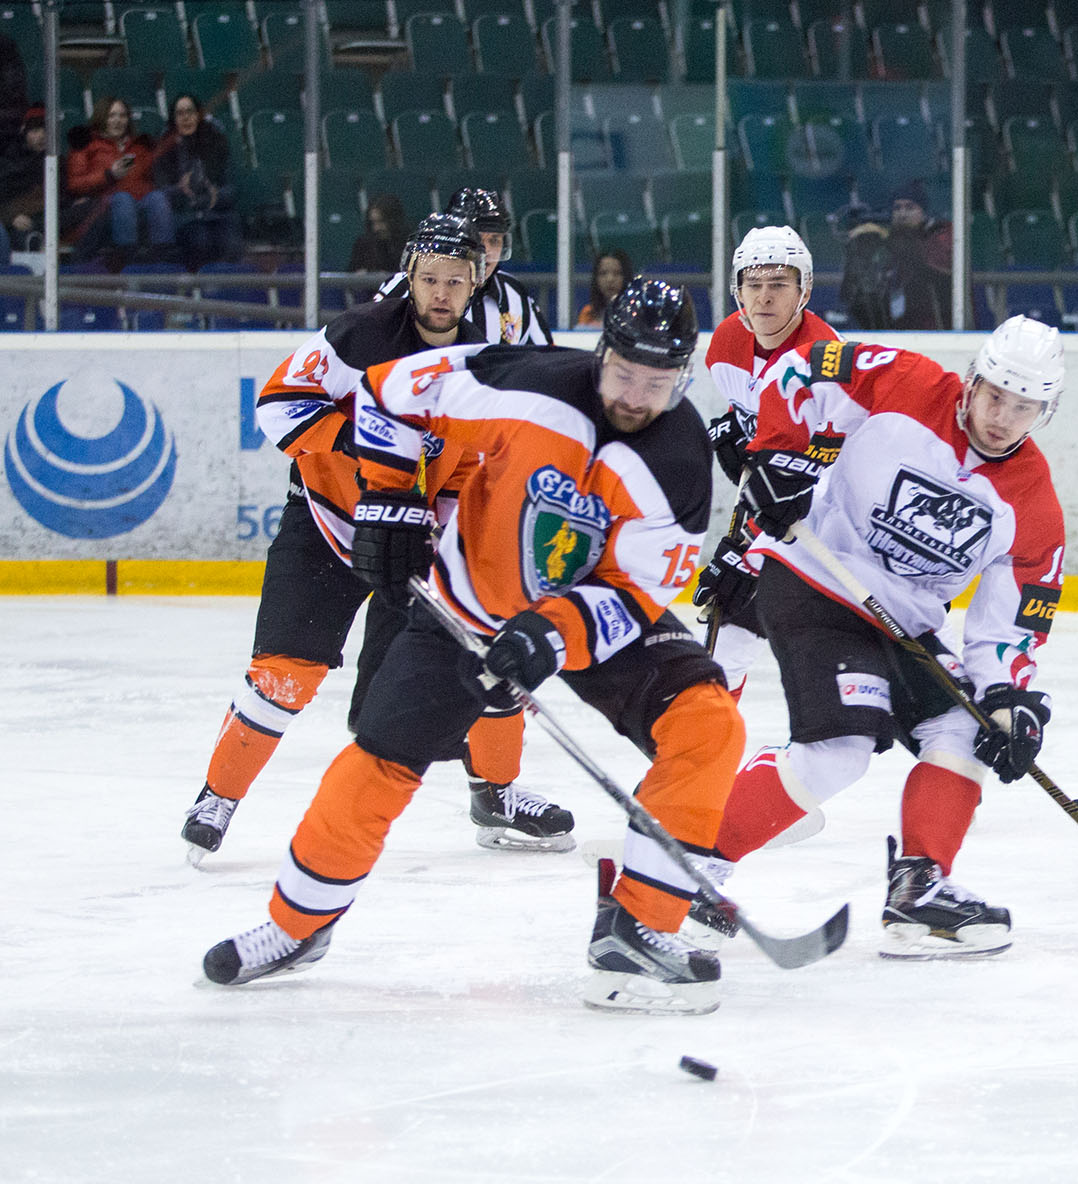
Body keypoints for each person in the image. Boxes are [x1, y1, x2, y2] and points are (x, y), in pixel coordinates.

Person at [203, 279, 749, 1018]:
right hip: (469, 600)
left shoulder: (679, 458)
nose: (635, 397)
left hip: (586, 612)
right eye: (624, 373)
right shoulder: (520, 379)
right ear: (603, 353)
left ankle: (637, 932)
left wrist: (554, 632)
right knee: (379, 760)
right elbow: (386, 391)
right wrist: (390, 499)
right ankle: (296, 924)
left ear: (682, 377)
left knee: (708, 725)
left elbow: (638, 587)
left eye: (657, 383)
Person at [181, 214, 570, 864]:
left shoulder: (480, 366)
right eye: (430, 278)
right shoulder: (359, 334)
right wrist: (363, 444)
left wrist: (450, 531)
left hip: (413, 539)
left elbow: (474, 465)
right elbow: (278, 404)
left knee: (479, 659)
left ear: (475, 284)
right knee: (284, 675)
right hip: (326, 522)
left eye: (455, 280)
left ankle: (495, 794)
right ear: (409, 277)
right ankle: (217, 796)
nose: (441, 293)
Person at [703, 316, 1067, 959]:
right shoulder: (906, 381)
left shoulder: (1033, 505)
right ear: (972, 381)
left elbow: (1007, 625)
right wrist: (776, 452)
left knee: (966, 727)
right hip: (815, 576)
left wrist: (1007, 698)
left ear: (1045, 411)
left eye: (1024, 407)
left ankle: (920, 887)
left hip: (907, 621)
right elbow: (798, 370)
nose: (1002, 418)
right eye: (994, 395)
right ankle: (687, 861)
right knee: (838, 751)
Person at [691, 225, 840, 698]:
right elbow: (750, 412)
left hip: (830, 523)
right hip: (774, 509)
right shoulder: (725, 344)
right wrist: (736, 431)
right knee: (726, 649)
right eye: (753, 284)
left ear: (804, 291)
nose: (764, 297)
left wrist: (746, 554)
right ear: (737, 292)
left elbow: (812, 483)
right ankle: (707, 744)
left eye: (778, 284)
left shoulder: (825, 360)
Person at [377, 186, 551, 344]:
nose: (487, 251)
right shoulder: (405, 285)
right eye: (477, 239)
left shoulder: (515, 295)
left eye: (495, 240)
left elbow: (545, 358)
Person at [64, 97, 173, 267]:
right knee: (123, 199)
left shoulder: (139, 146)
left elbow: (152, 179)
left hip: (140, 202)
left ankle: (162, 259)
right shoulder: (87, 145)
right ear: (102, 117)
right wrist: (109, 175)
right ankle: (127, 259)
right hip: (105, 204)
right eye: (112, 115)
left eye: (122, 116)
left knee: (157, 198)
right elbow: (75, 183)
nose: (118, 121)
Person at [841, 180, 953, 330]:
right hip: (900, 331)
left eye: (910, 207)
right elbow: (850, 296)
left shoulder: (940, 234)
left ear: (924, 212)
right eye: (897, 208)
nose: (902, 214)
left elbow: (927, 269)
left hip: (938, 331)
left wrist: (887, 237)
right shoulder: (891, 245)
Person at [151, 93, 240, 270]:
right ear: (173, 119)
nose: (186, 118)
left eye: (190, 112)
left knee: (231, 242)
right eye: (180, 113)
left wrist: (214, 196)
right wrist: (181, 189)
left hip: (215, 213)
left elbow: (231, 189)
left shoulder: (215, 143)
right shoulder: (164, 149)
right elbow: (161, 192)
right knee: (200, 240)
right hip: (184, 216)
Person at [0, 105, 46, 252]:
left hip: (45, 219)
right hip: (15, 221)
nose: (41, 136)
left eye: (45, 131)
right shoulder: (10, 161)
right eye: (35, 131)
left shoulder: (57, 162)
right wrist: (11, 217)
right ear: (24, 132)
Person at [574, 247, 633, 329]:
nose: (610, 279)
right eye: (603, 273)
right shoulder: (588, 313)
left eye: (617, 273)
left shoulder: (635, 312)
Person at [347, 192, 407, 273]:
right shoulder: (363, 244)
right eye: (373, 223)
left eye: (381, 222)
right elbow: (351, 272)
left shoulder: (410, 244)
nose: (376, 228)